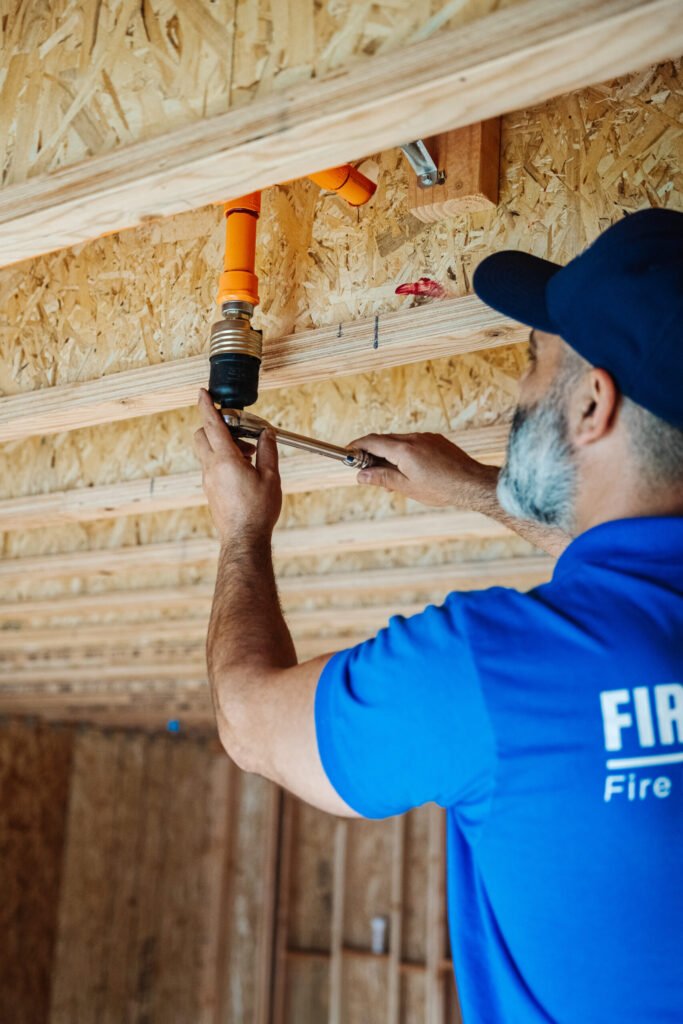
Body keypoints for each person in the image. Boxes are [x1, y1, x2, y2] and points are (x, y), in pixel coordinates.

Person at [194, 208, 683, 1024]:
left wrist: (241, 532)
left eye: (534, 364)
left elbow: (247, 720)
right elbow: (626, 590)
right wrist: (470, 486)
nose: (518, 392)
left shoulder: (489, 669)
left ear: (593, 404)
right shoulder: (543, 659)